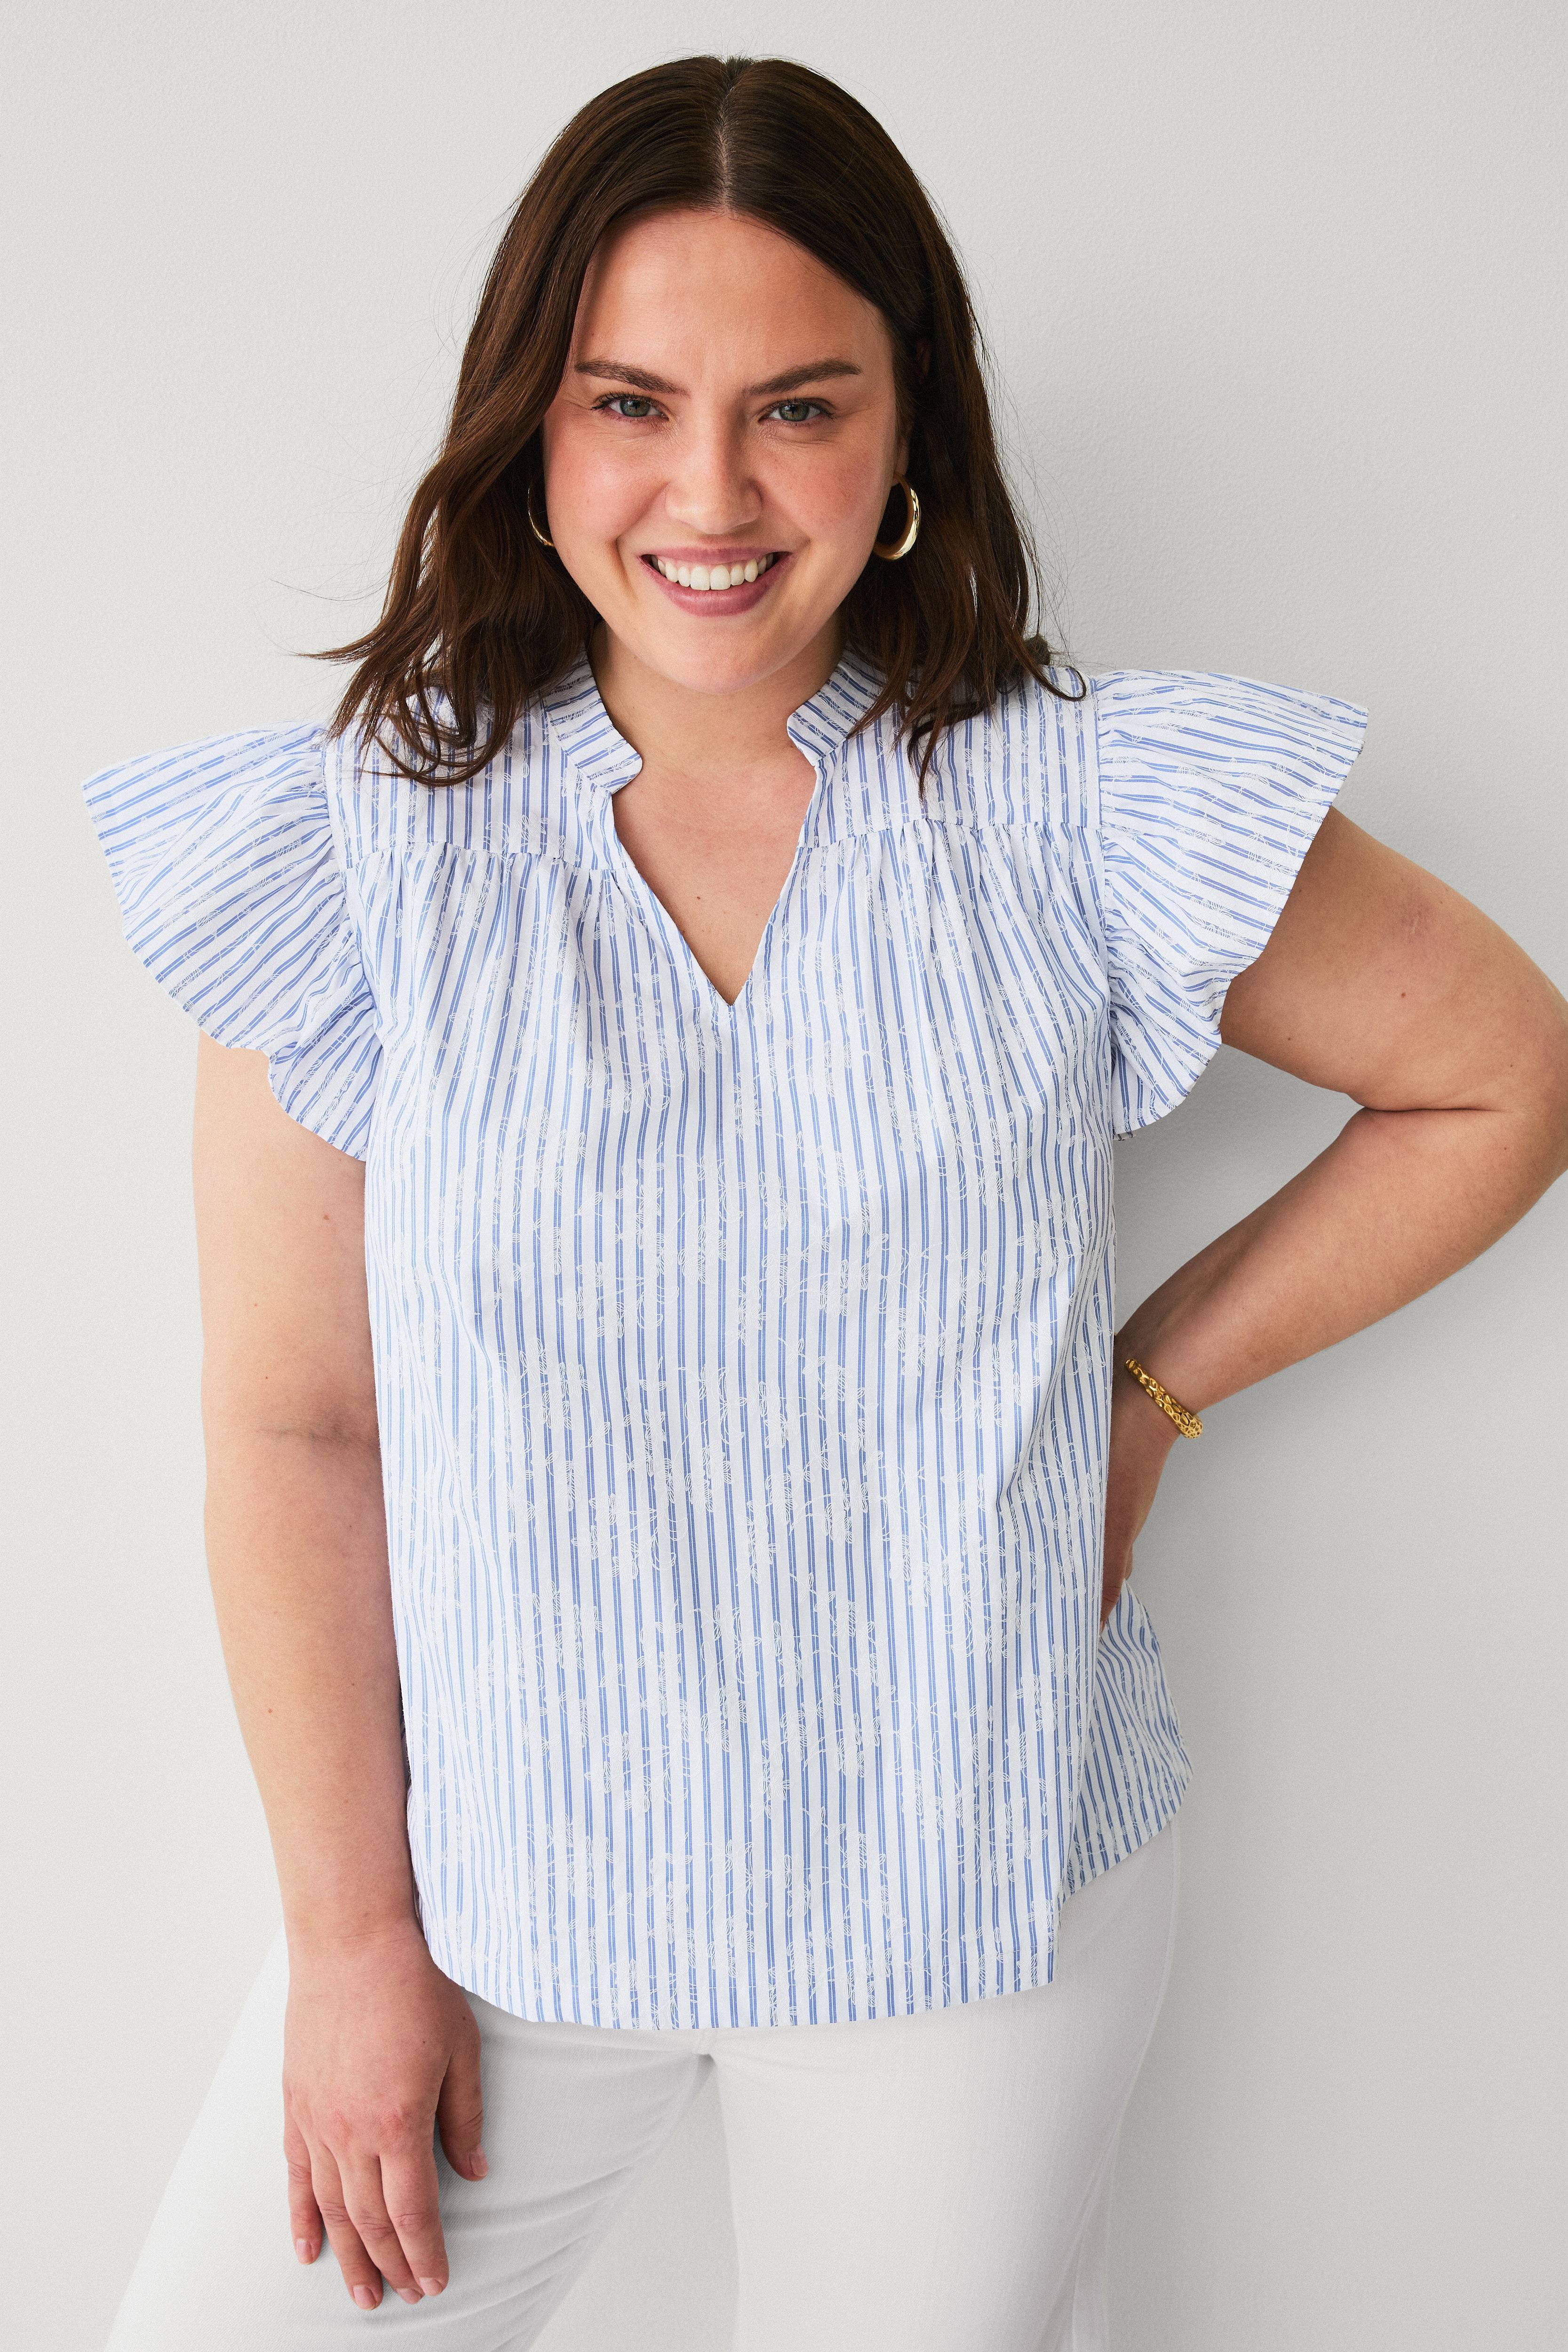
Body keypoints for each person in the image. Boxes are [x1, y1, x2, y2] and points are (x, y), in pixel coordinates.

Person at [83, 52, 1568, 2352]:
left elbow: (1498, 1072)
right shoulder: (363, 850)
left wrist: (1149, 1397)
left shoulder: (1076, 809)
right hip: (494, 1897)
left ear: (907, 436)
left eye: (798, 405)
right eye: (630, 403)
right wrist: (354, 1940)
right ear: (534, 428)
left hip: (974, 1879)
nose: (711, 490)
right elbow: (300, 1426)